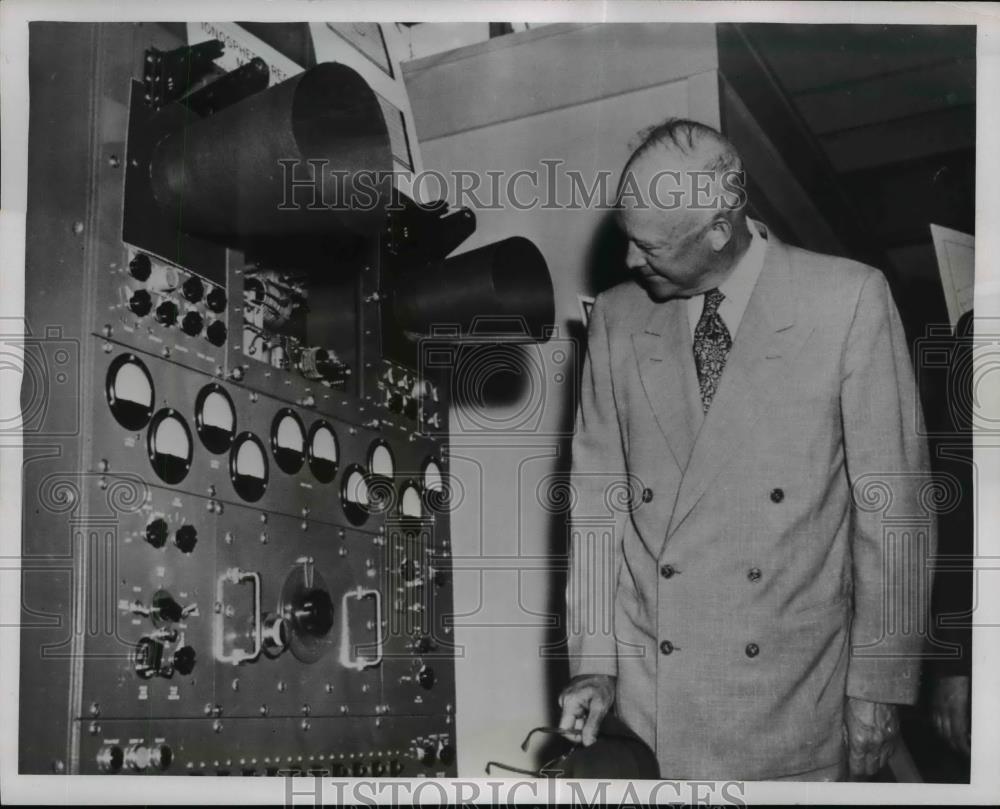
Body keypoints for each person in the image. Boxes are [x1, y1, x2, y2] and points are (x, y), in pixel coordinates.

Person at [559, 118, 934, 781]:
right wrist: (594, 663)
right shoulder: (617, 320)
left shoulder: (846, 300)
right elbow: (596, 509)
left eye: (649, 247)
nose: (628, 263)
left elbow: (893, 509)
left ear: (718, 230)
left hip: (793, 705)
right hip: (654, 711)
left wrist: (878, 683)